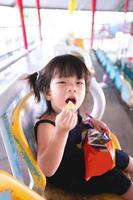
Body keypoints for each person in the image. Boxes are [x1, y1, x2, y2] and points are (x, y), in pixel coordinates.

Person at [28, 54, 133, 200]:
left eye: (79, 83)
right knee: (113, 177)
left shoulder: (72, 113)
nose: (72, 88)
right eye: (62, 82)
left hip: (78, 159)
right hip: (67, 176)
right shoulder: (47, 125)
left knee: (117, 155)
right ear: (48, 92)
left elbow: (77, 131)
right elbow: (46, 169)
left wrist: (90, 124)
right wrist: (60, 132)